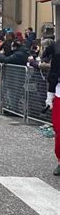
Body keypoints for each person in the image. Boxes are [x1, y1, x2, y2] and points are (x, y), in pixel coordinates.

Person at [45, 39, 60, 175]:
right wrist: (50, 97)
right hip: (59, 93)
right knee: (59, 128)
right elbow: (54, 74)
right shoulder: (57, 47)